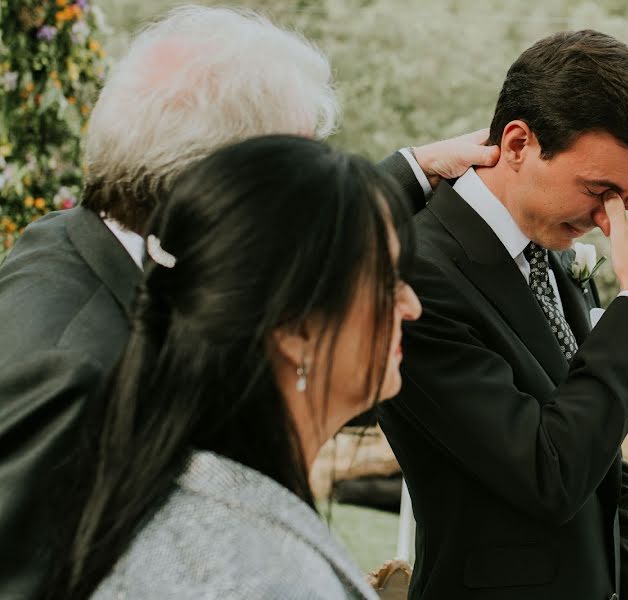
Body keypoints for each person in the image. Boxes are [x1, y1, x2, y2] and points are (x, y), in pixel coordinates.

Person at [0, 7, 495, 598]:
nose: (308, 185)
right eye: (296, 164)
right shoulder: (81, 373)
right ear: (229, 186)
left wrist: (414, 171)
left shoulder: (75, 242)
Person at [377, 30, 628, 600]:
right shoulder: (418, 273)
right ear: (518, 144)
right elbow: (549, 473)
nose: (606, 218)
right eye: (598, 190)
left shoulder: (547, 252)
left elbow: (607, 467)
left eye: (624, 196)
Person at [44, 134, 421, 599]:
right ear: (295, 327)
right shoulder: (254, 577)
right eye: (389, 283)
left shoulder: (182, 501)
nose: (412, 305)